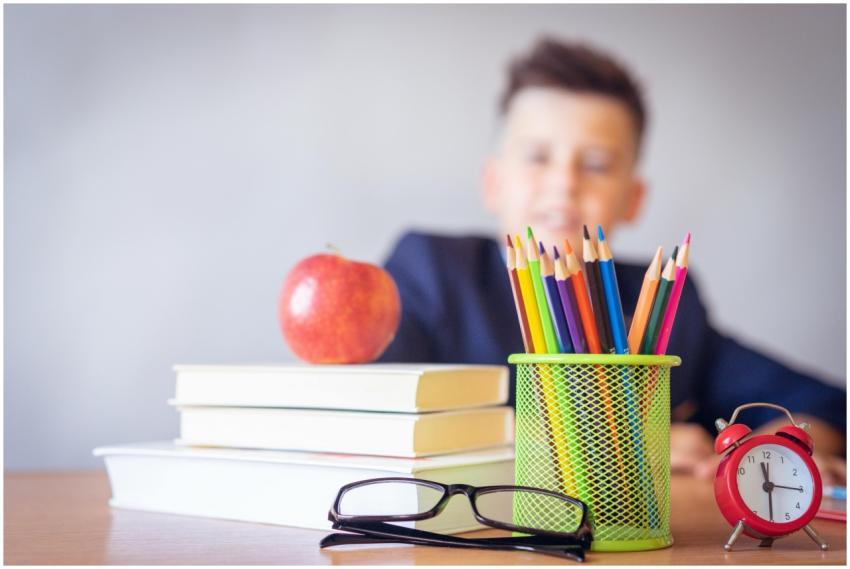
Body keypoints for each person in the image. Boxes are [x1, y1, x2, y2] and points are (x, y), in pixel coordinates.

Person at [378, 38, 845, 484]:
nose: (564, 182)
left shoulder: (662, 301)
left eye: (597, 164)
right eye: (538, 156)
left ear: (633, 199)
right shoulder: (433, 270)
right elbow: (375, 414)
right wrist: (625, 445)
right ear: (493, 183)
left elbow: (822, 403)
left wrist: (781, 448)